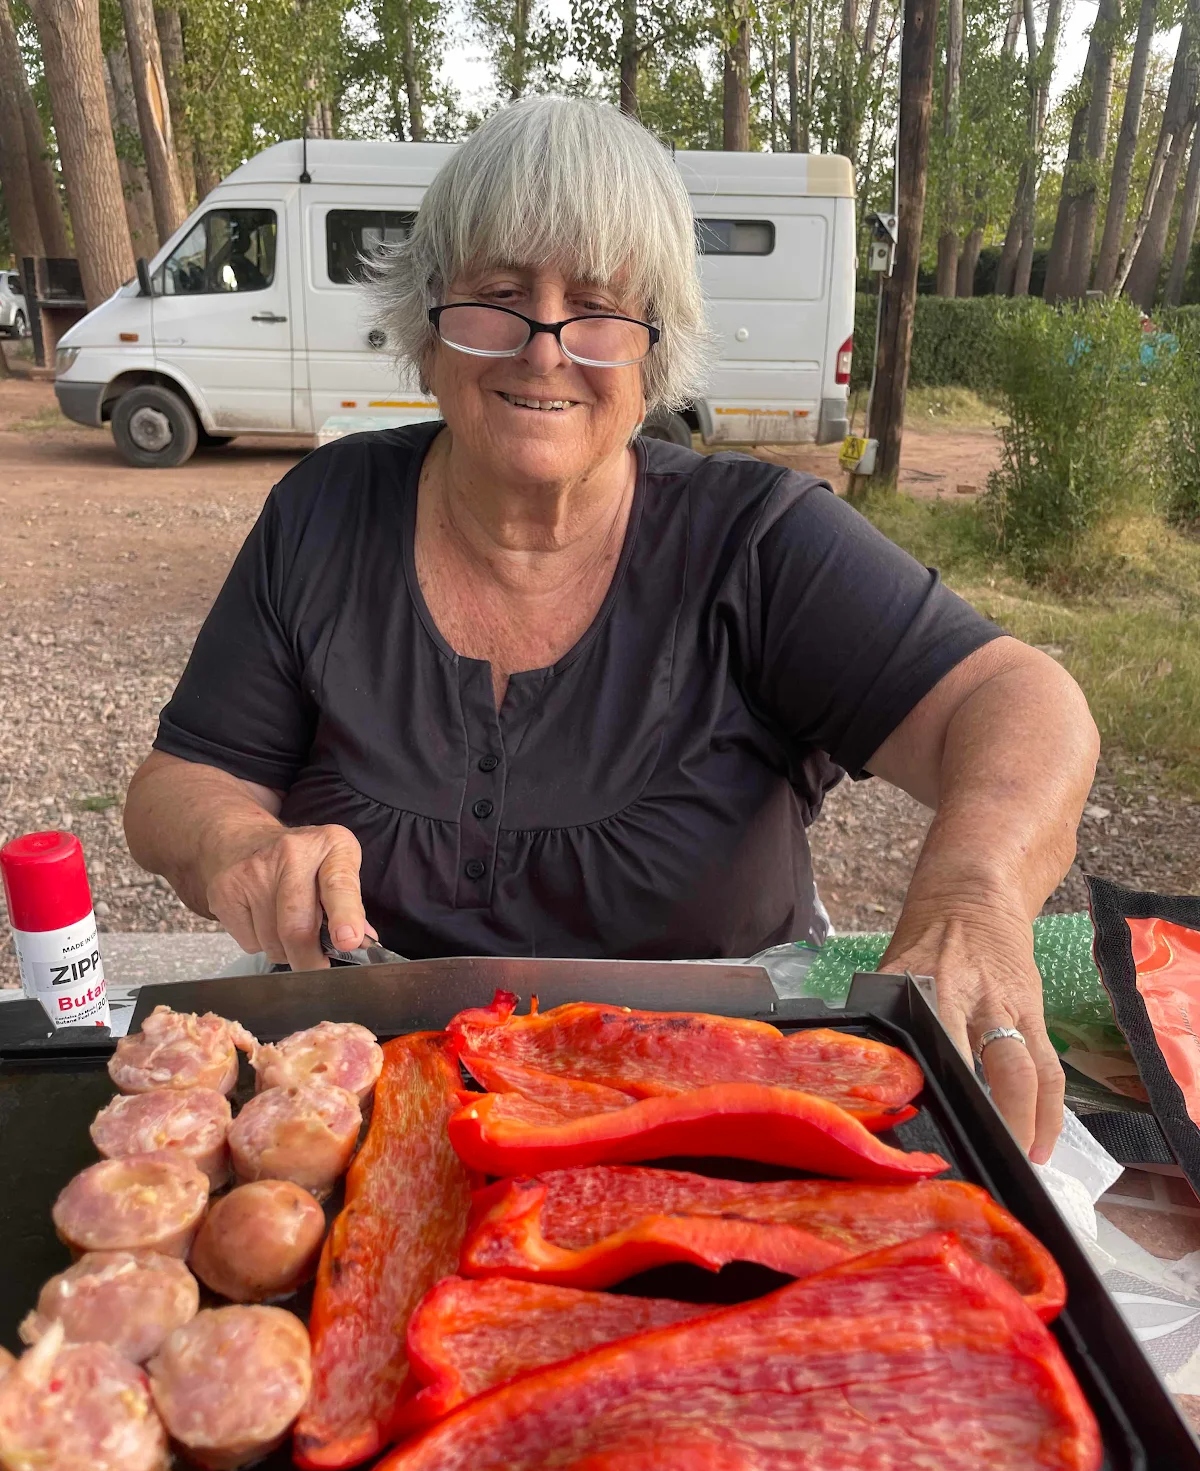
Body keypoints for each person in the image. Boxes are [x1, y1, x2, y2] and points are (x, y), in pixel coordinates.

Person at [124, 96, 1098, 1164]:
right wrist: (239, 845)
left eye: (596, 307)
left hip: (720, 1114)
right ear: (428, 324)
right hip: (364, 1110)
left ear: (652, 351)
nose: (544, 349)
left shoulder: (757, 541)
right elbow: (179, 784)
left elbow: (1016, 699)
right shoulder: (324, 512)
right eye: (499, 296)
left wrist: (975, 893)